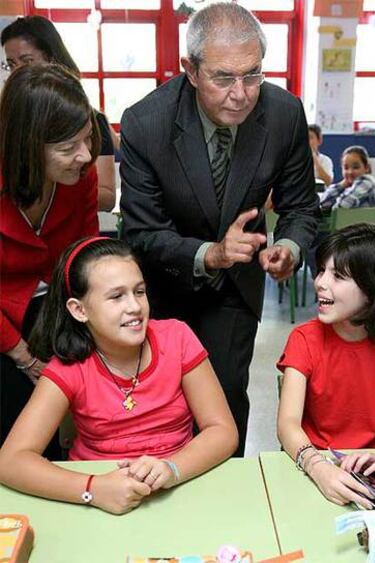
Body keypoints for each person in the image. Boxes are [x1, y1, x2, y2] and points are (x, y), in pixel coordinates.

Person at [120, 2, 320, 456]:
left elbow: (302, 207)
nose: (241, 93)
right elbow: (142, 233)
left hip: (235, 286)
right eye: (223, 78)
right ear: (190, 70)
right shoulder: (145, 123)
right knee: (161, 412)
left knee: (226, 402)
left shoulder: (284, 114)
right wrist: (211, 253)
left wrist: (287, 246)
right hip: (165, 284)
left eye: (253, 75)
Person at [0, 237, 238, 515]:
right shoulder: (69, 367)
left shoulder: (177, 338)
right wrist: (93, 488)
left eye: (139, 292)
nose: (135, 307)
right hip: (99, 502)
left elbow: (223, 431)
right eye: (116, 296)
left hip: (178, 489)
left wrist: (172, 469)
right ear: (79, 310)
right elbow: (10, 461)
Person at [0, 64, 100, 455]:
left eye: (88, 139)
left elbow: (86, 257)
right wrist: (23, 357)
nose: (85, 155)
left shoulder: (83, 176)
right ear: (27, 146)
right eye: (67, 147)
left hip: (58, 307)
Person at [277, 223, 375, 508]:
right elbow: (287, 424)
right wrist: (317, 466)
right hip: (316, 458)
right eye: (321, 271)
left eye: (338, 275)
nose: (320, 283)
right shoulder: (304, 339)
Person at [1, 15, 116, 212]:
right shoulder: (8, 123)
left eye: (27, 61)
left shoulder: (91, 122)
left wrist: (61, 189)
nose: (17, 73)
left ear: (51, 59)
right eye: (11, 64)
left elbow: (106, 196)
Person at [320, 145, 375, 210]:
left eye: (356, 167)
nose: (350, 172)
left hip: (366, 220)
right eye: (346, 168)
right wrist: (342, 185)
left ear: (366, 167)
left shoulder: (366, 182)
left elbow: (342, 206)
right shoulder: (349, 184)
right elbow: (322, 203)